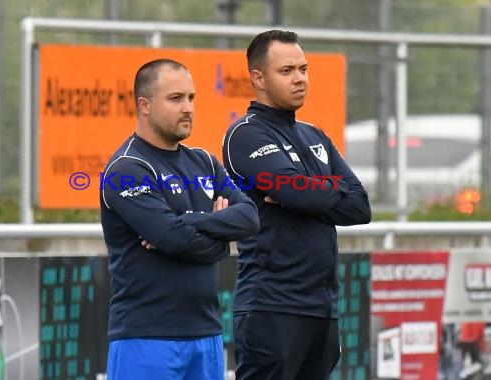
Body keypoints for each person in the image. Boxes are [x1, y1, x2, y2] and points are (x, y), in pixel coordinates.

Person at [222, 30, 372, 380]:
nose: (300, 78)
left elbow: (361, 206)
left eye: (303, 69)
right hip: (272, 306)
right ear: (258, 78)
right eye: (287, 70)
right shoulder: (246, 134)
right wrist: (316, 191)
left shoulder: (314, 135)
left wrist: (305, 191)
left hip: (321, 308)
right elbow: (297, 193)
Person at [100, 58, 259, 380]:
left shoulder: (204, 162)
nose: (187, 108)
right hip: (146, 338)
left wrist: (186, 222)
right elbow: (174, 239)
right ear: (144, 105)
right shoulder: (127, 168)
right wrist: (219, 240)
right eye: (176, 99)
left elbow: (250, 217)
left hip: (208, 335)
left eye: (191, 98)